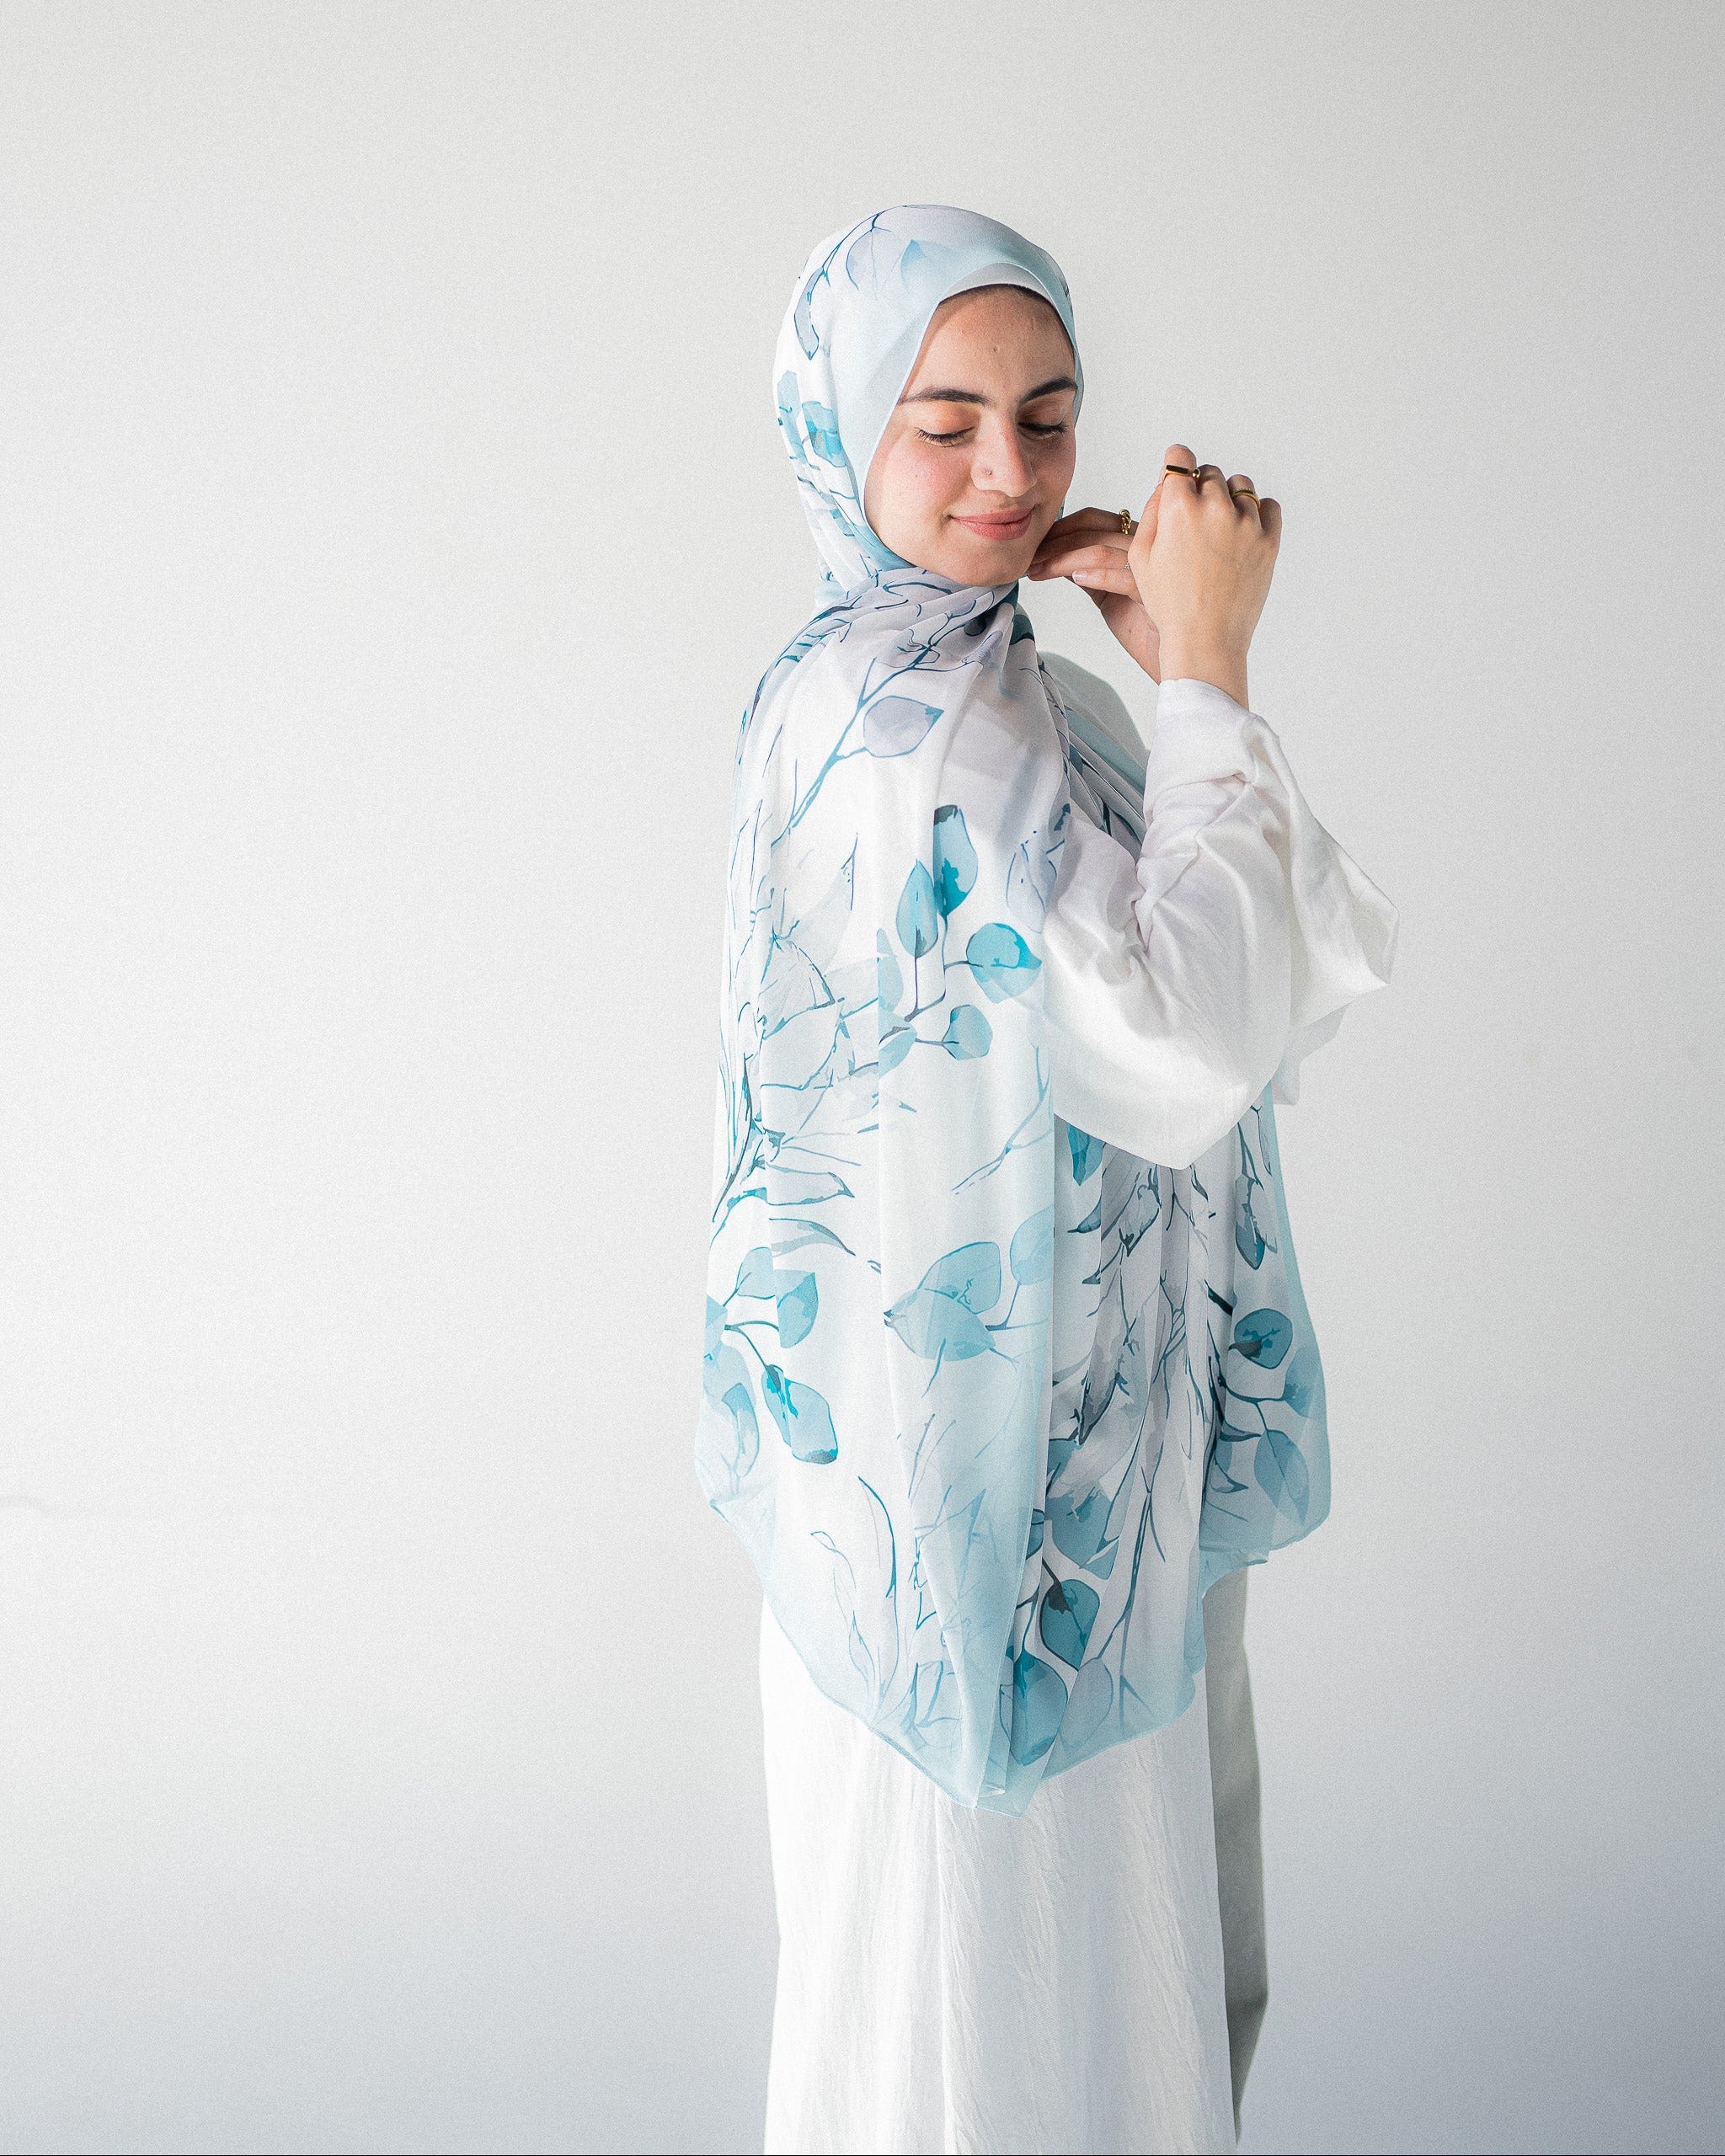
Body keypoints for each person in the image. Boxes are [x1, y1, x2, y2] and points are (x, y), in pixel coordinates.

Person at [696, 205, 1397, 2156]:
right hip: (976, 1501)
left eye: (1048, 413)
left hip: (1059, 1471)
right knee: (972, 2023)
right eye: (943, 420)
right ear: (841, 426)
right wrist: (1213, 675)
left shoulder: (996, 688)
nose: (1008, 474)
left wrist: (1172, 670)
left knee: (1068, 1999)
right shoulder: (903, 725)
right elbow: (1186, 1040)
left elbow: (1257, 976)